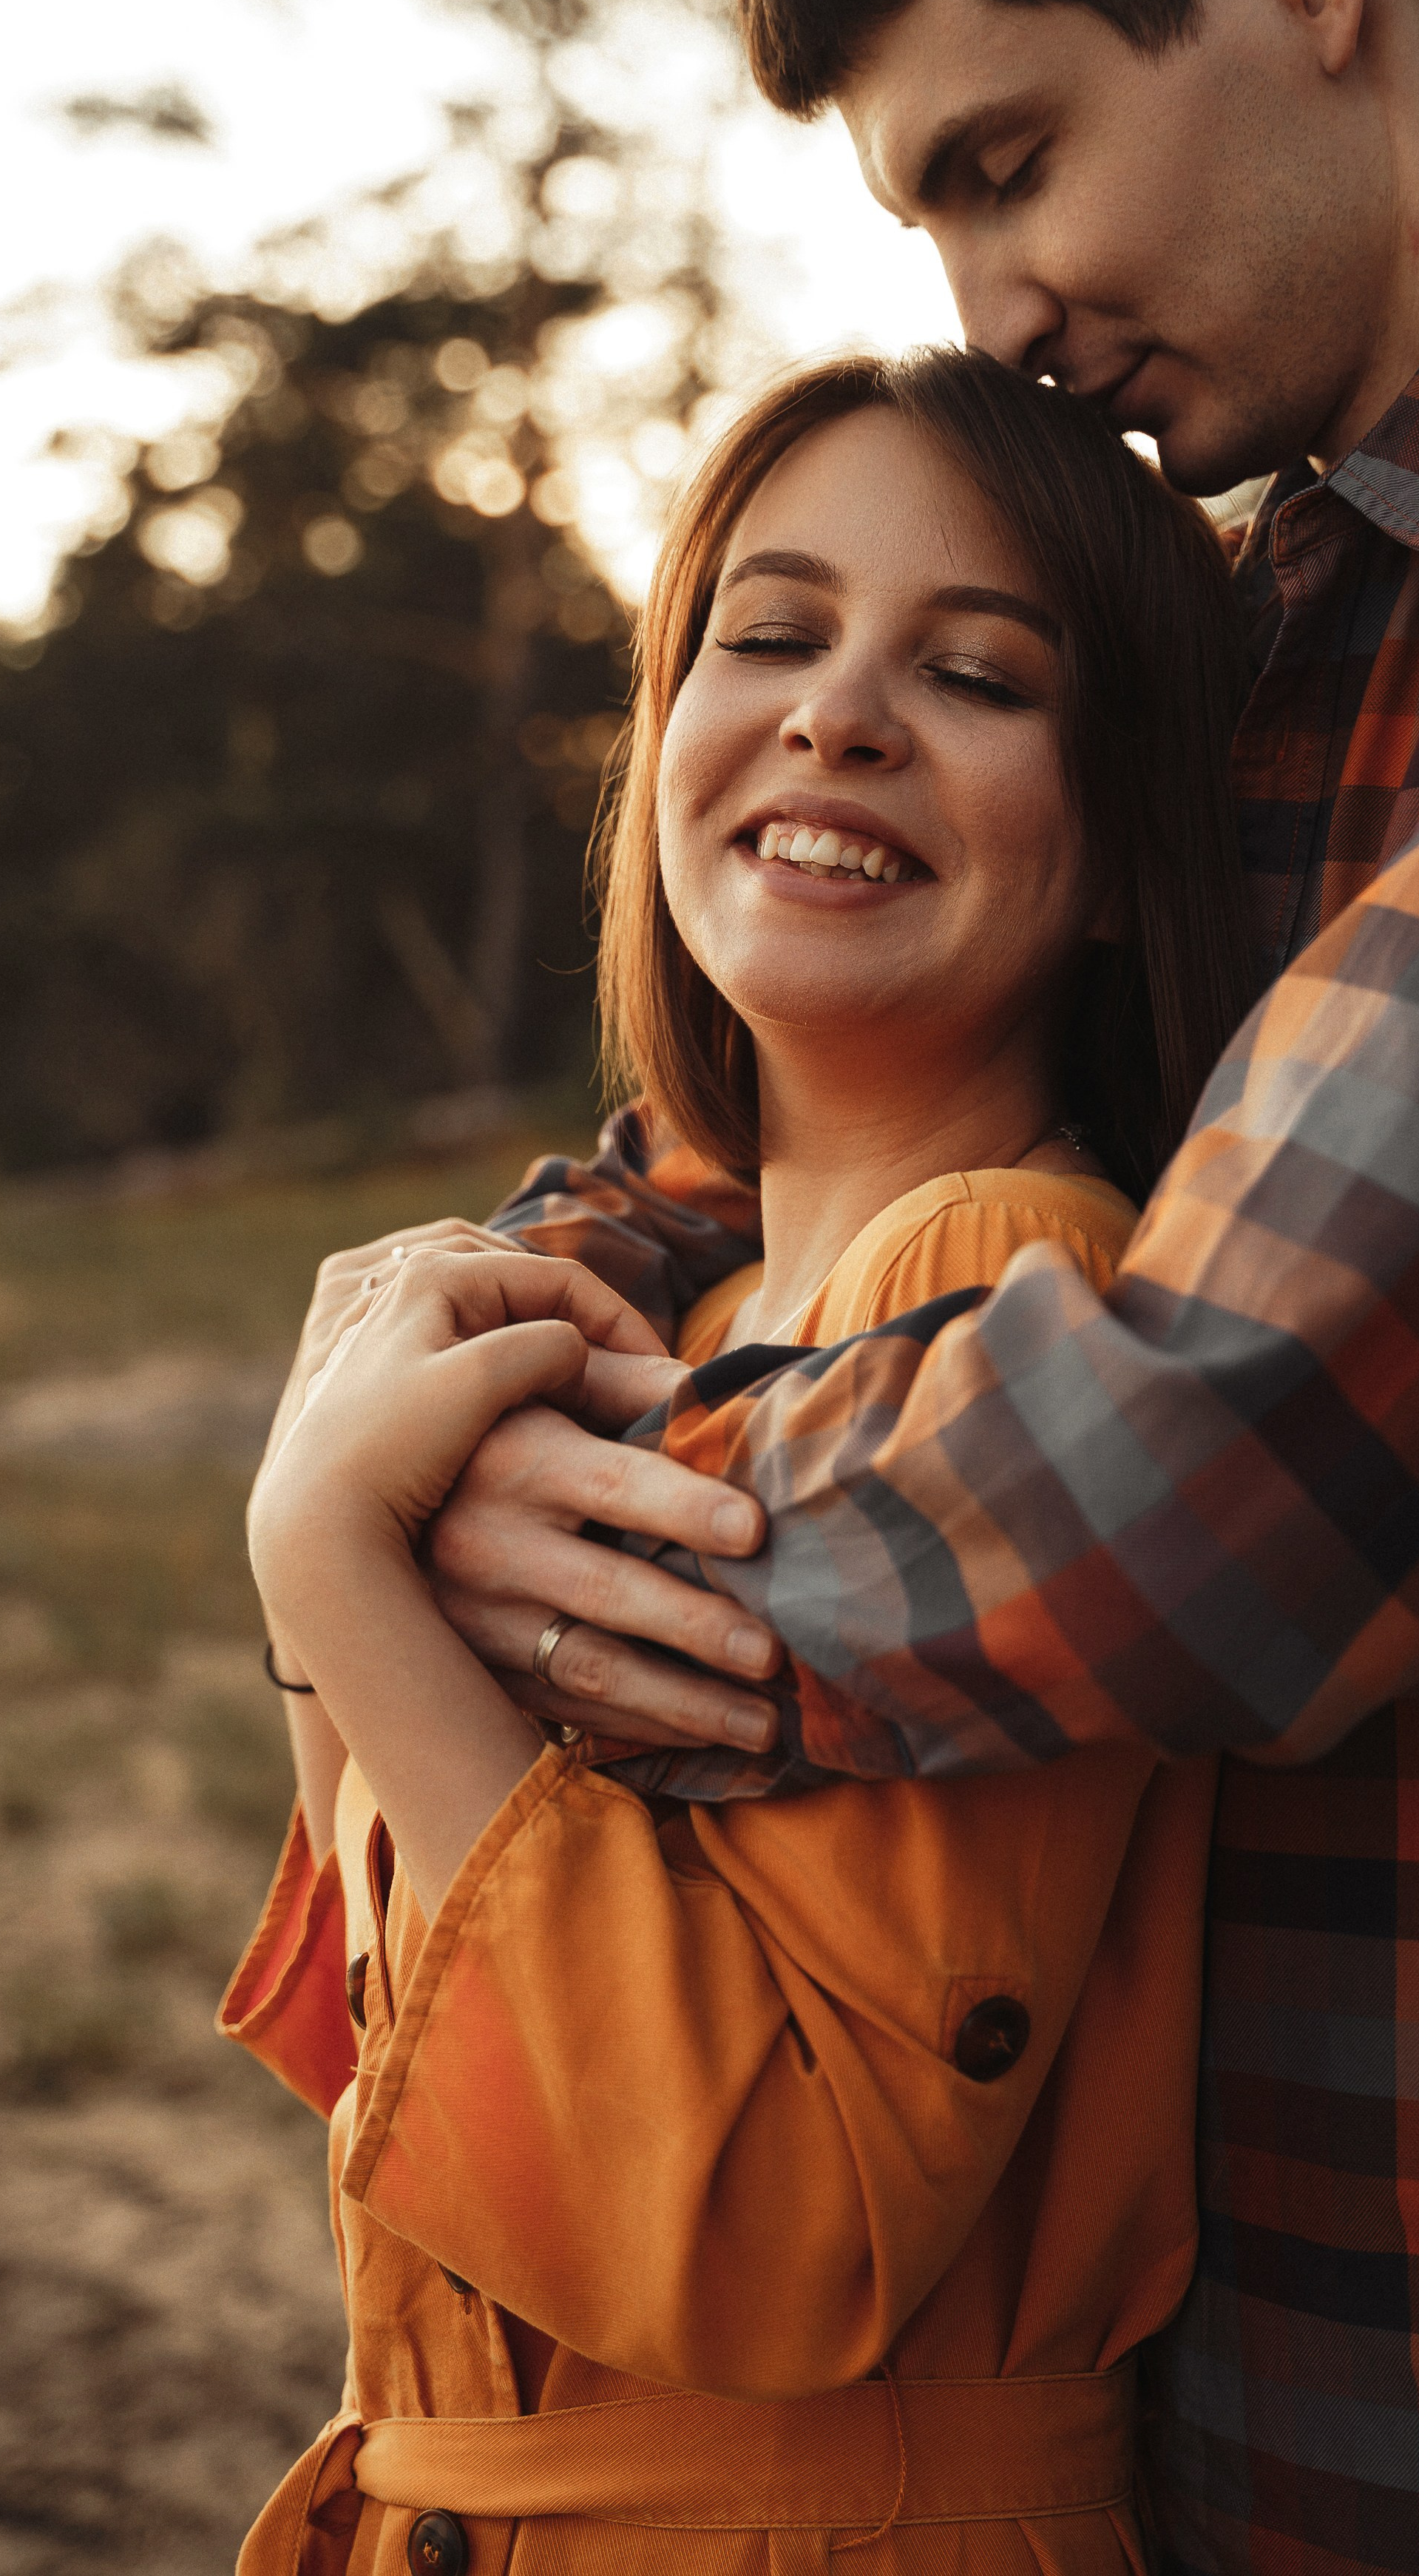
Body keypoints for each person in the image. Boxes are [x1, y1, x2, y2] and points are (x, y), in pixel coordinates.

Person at [291, 0, 1419, 2569]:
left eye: (1009, 163)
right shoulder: (1287, 609)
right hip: (1172, 2407)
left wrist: (459, 1521)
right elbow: (760, 1131)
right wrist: (467, 1334)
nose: (1002, 311)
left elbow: (1242, 1449)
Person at [224, 346, 1260, 2567]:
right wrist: (342, 1615)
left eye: (975, 674)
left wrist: (323, 1553)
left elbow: (769, 2227)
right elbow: (405, 2071)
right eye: (769, 633)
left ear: (1112, 852)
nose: (837, 713)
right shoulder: (679, 1333)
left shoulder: (1005, 1286)